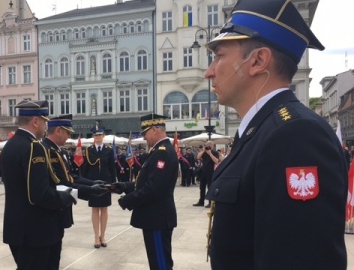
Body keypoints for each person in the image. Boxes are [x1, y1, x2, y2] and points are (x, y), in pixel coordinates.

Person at [203, 0, 347, 269]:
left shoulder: (295, 136)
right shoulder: (260, 131)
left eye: (219, 56)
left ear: (257, 61)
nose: (208, 72)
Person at [1, 100, 77, 270]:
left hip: (17, 229)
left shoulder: (10, 145)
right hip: (38, 232)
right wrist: (65, 197)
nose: (45, 126)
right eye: (44, 121)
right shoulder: (34, 147)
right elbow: (39, 194)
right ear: (35, 121)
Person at [111, 114, 178, 270]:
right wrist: (123, 186)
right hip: (155, 218)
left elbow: (153, 189)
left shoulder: (162, 152)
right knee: (157, 263)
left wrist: (129, 199)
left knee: (161, 265)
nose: (144, 137)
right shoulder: (158, 151)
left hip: (157, 219)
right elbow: (147, 181)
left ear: (154, 130)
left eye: (145, 133)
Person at [41, 114, 109, 260]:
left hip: (60, 209)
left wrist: (93, 183)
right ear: (58, 130)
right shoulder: (46, 151)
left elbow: (72, 176)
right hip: (51, 210)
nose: (68, 137)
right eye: (67, 132)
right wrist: (91, 190)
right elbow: (62, 183)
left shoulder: (60, 151)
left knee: (55, 255)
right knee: (49, 259)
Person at [82, 126, 116, 248]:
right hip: (93, 182)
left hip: (106, 182)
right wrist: (85, 184)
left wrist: (113, 183)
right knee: (95, 209)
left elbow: (112, 168)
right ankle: (96, 236)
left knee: (105, 209)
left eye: (100, 135)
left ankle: (103, 235)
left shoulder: (109, 150)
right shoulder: (88, 150)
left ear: (103, 136)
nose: (98, 137)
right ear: (93, 137)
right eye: (95, 135)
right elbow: (85, 168)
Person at [193, 141, 219, 207]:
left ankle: (210, 202)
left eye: (209, 145)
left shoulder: (215, 152)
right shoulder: (204, 152)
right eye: (207, 145)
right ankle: (201, 201)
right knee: (202, 187)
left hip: (210, 172)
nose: (208, 146)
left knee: (210, 187)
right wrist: (203, 150)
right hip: (203, 171)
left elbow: (216, 161)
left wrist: (210, 153)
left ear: (213, 146)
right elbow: (198, 157)